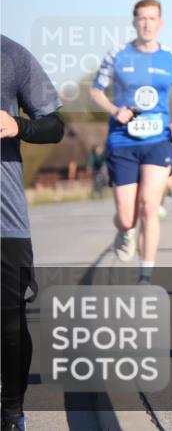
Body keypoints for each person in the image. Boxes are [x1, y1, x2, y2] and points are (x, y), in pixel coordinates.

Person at [90, 0, 172, 283]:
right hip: (123, 140)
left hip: (158, 139)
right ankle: (124, 232)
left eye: (152, 18)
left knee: (150, 207)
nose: (147, 23)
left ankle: (145, 276)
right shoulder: (117, 55)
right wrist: (115, 110)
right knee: (127, 217)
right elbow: (96, 91)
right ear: (134, 22)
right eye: (142, 18)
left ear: (161, 23)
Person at [1, 36, 65, 431]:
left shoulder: (10, 56)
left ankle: (11, 411)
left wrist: (17, 125)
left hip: (5, 221)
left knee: (9, 323)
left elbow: (54, 126)